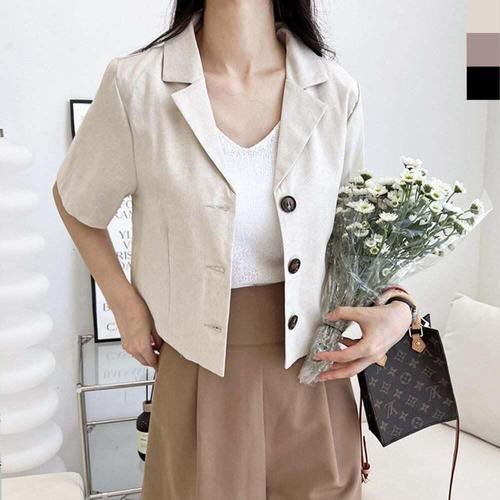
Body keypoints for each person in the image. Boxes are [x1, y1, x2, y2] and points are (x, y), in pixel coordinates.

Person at [53, 2, 415, 499]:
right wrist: (125, 305)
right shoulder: (137, 86)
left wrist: (398, 308)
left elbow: (355, 237)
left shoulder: (334, 90)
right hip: (198, 371)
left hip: (316, 373)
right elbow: (76, 201)